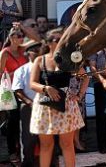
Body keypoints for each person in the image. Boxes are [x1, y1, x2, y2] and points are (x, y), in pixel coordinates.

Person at [30, 28, 87, 167]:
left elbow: (85, 77)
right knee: (46, 145)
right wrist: (46, 88)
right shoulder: (40, 60)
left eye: (62, 39)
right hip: (45, 105)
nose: (61, 42)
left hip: (66, 105)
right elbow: (32, 83)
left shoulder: (69, 60)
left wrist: (79, 95)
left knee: (67, 144)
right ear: (49, 43)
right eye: (57, 40)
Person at [0, 25, 28, 162]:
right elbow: (0, 74)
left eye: (22, 36)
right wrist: (14, 73)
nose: (22, 38)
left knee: (23, 120)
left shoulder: (23, 50)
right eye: (19, 36)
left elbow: (37, 40)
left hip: (23, 89)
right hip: (10, 91)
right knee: (12, 122)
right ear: (11, 38)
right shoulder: (5, 53)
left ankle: (21, 149)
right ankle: (12, 151)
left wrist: (22, 27)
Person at [12, 38, 42, 167]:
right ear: (28, 53)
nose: (37, 52)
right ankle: (27, 162)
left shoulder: (45, 67)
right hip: (28, 106)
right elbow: (17, 90)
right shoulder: (21, 70)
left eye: (38, 49)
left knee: (48, 136)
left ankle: (51, 161)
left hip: (46, 106)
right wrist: (29, 102)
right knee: (28, 138)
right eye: (34, 50)